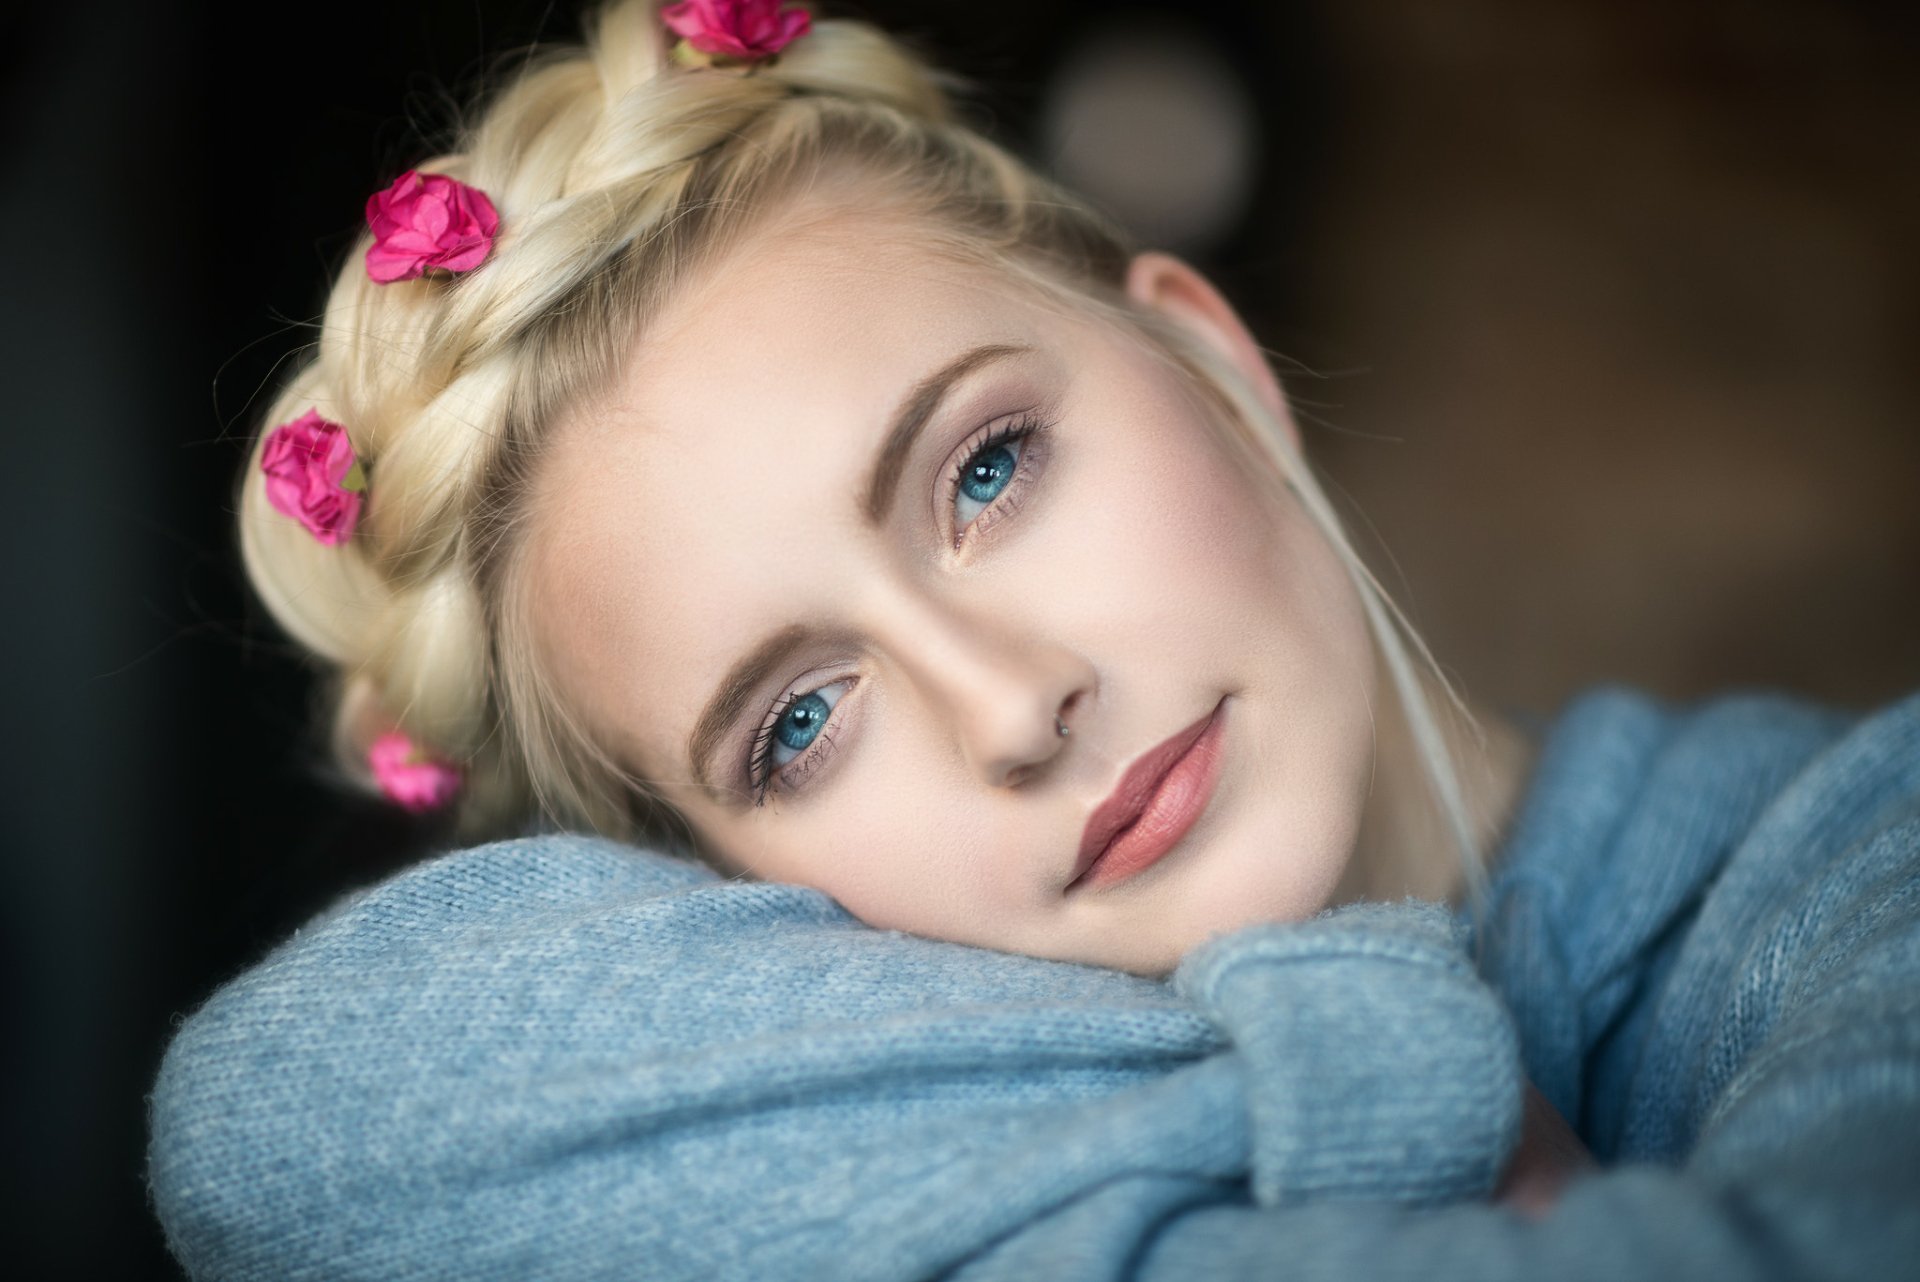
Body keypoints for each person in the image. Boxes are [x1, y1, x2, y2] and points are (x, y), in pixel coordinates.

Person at [148, 1, 1920, 1279]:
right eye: (800, 722)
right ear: (727, 904)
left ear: (1218, 367)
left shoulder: (1866, 848)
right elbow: (273, 1130)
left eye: (986, 469)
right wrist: (1373, 1049)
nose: (1011, 706)